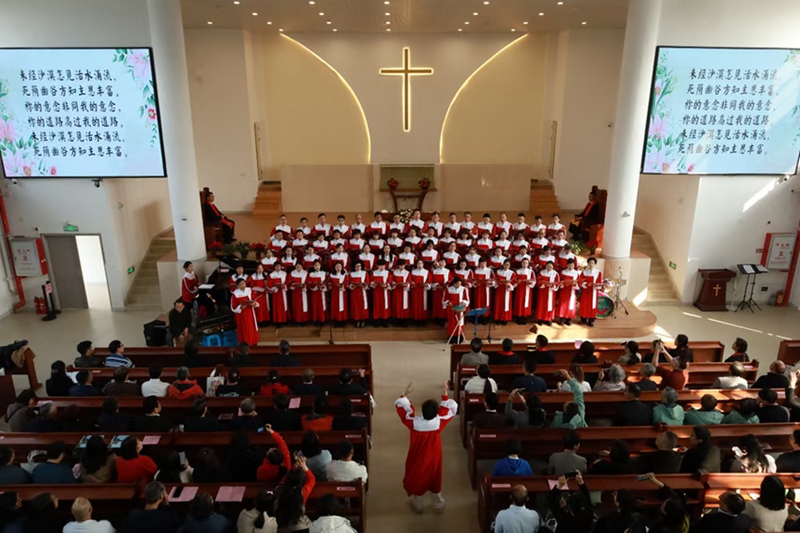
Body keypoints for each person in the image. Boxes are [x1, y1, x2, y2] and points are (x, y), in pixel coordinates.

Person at [395, 381, 458, 514]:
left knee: (418, 476)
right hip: (434, 455)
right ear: (436, 413)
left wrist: (405, 394)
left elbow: (404, 411)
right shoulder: (439, 423)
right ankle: (438, 504)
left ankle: (418, 504)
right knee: (435, 477)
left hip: (418, 454)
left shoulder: (414, 424)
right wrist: (445, 395)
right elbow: (450, 410)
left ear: (422, 412)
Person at [273, 456, 316, 531]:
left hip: (281, 525)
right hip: (299, 527)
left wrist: (295, 466)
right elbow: (312, 480)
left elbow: (284, 480)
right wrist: (304, 466)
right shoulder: (302, 492)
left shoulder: (279, 489)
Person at [231, 278, 260, 345]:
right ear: (237, 286)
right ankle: (245, 344)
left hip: (250, 313)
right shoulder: (235, 294)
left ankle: (253, 342)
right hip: (242, 315)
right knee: (244, 329)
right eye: (241, 284)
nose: (243, 285)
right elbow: (233, 308)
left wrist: (254, 304)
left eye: (244, 283)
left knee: (252, 328)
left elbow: (255, 300)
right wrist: (240, 307)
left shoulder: (249, 290)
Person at [578, 256, 602, 326]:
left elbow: (599, 281)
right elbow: (580, 280)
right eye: (590, 263)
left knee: (592, 305)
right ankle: (583, 319)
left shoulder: (598, 272)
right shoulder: (584, 272)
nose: (591, 264)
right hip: (585, 290)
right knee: (584, 304)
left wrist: (596, 285)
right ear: (588, 264)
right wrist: (584, 284)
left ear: (595, 264)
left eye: (593, 263)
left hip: (593, 291)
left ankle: (591, 320)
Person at [535, 261, 559, 325]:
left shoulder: (555, 274)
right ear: (545, 266)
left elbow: (557, 283)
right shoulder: (541, 272)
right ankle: (540, 318)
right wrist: (543, 284)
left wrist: (552, 285)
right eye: (548, 266)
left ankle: (548, 319)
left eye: (551, 267)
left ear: (553, 267)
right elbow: (538, 281)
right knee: (541, 304)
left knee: (549, 305)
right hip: (542, 291)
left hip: (551, 291)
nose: (549, 268)